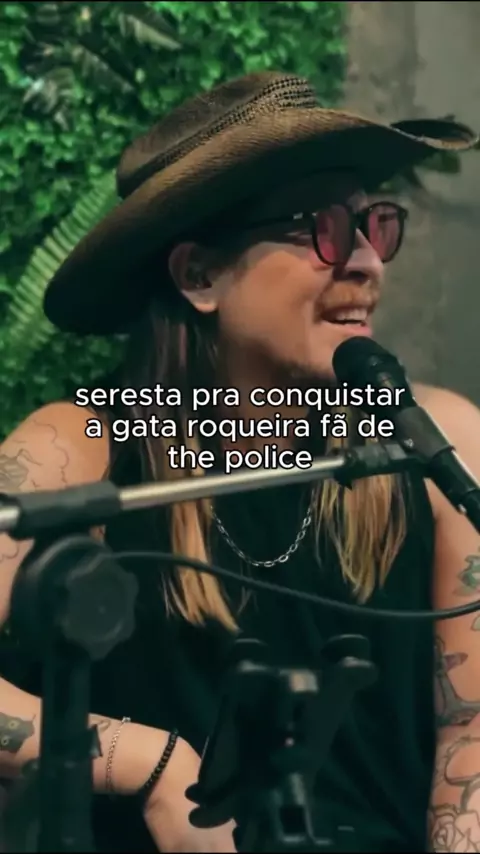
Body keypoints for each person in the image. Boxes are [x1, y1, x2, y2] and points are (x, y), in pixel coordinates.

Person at [0, 69, 479, 853]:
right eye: (325, 229)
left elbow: (472, 729)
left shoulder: (436, 442)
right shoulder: (79, 446)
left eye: (375, 226)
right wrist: (149, 766)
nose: (368, 263)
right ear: (198, 275)